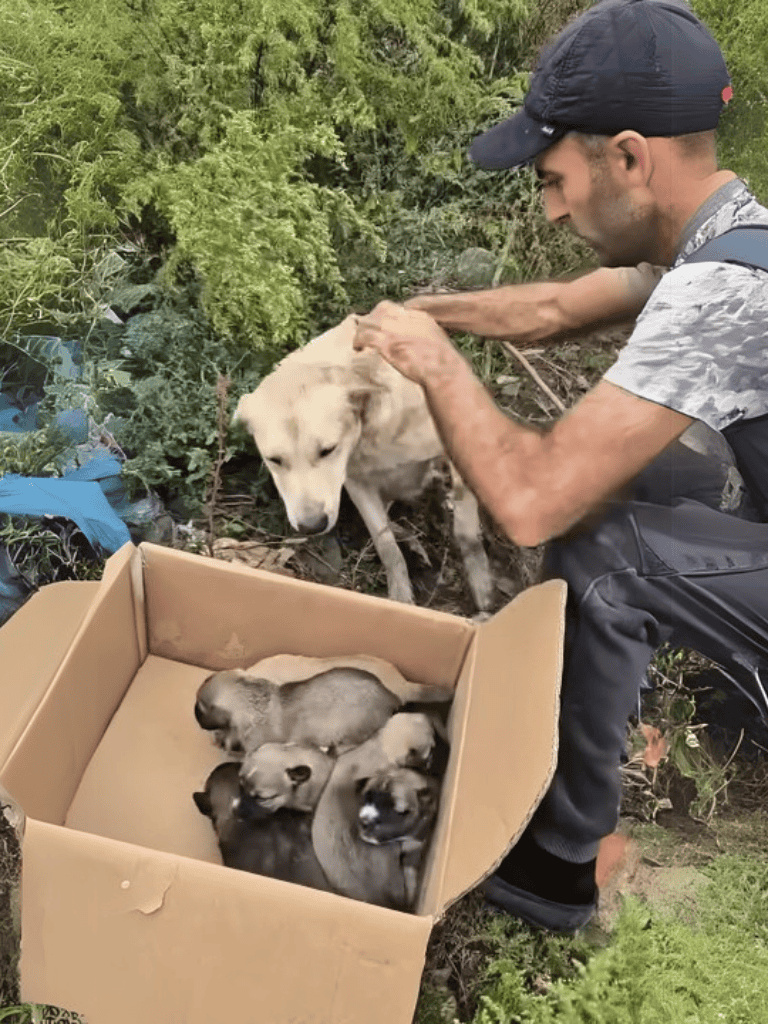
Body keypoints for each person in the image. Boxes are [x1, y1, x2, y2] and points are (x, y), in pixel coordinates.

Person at [353, 0, 768, 932]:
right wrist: (422, 312)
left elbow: (532, 503)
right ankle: (600, 717)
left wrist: (431, 362)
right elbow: (549, 310)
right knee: (657, 478)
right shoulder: (728, 236)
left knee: (602, 552)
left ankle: (556, 868)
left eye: (555, 177)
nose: (548, 206)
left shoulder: (726, 293)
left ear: (628, 157)